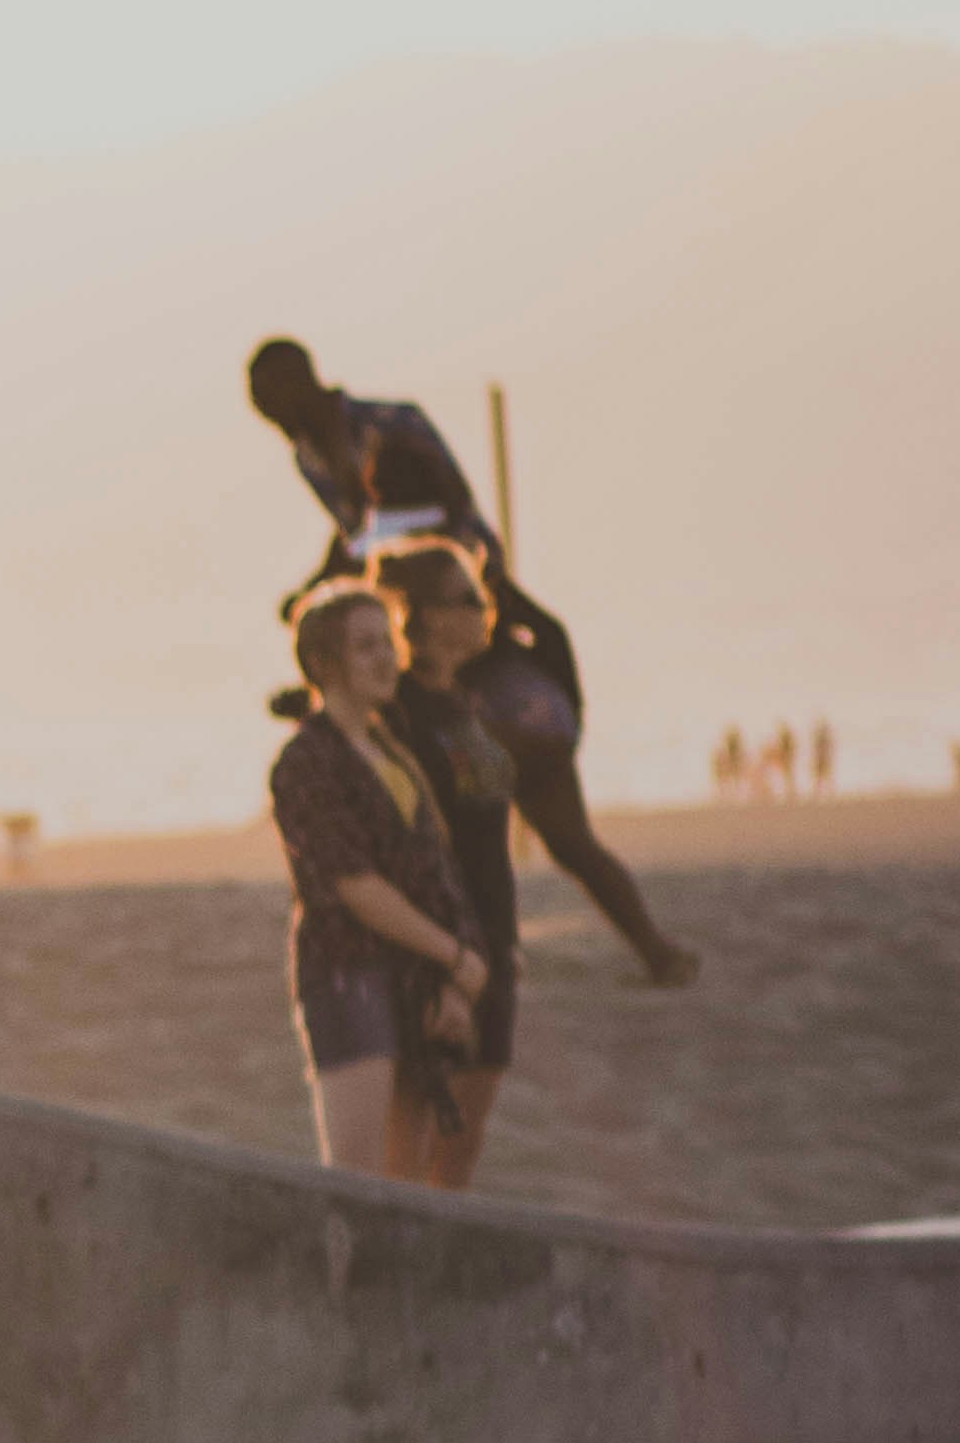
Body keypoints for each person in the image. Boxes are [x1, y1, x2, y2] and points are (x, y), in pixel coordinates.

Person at [243, 340, 697, 988]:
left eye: (272, 401)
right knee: (478, 829)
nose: (271, 419)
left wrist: (450, 588)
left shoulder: (392, 425)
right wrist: (320, 588)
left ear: (302, 381)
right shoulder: (310, 458)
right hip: (399, 596)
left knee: (534, 834)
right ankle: (571, 951)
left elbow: (440, 508)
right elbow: (356, 535)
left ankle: (647, 950)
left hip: (443, 587)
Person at [267, 582, 486, 1179]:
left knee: (406, 1186)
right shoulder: (305, 762)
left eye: (387, 643)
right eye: (365, 647)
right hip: (348, 975)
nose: (386, 659)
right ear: (322, 664)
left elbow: (437, 874)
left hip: (416, 978)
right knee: (358, 1184)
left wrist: (457, 979)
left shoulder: (392, 754)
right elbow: (354, 886)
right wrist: (455, 954)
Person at [371, 539, 521, 1188]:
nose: (484, 608)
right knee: (414, 1145)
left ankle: (435, 1273)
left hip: (494, 942)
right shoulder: (397, 713)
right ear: (424, 616)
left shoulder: (464, 701)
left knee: (462, 1146)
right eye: (468, 598)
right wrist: (445, 959)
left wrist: (501, 945)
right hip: (436, 949)